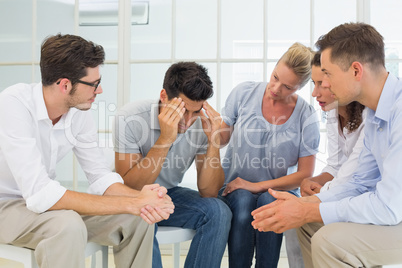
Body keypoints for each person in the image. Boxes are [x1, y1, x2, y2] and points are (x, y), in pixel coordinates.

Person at [0, 34, 174, 268]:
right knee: (67, 225)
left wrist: (143, 200)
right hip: (6, 206)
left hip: (44, 207)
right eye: (93, 84)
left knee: (138, 218)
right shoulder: (13, 105)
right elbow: (40, 194)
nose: (99, 90)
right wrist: (131, 202)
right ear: (65, 85)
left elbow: (100, 177)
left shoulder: (78, 113)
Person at [251, 22, 402, 268]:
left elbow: (388, 206)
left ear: (356, 71)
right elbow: (359, 182)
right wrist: (304, 205)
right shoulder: (374, 114)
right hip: (394, 211)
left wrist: (310, 209)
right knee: (308, 224)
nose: (324, 86)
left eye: (328, 75)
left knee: (329, 241)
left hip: (395, 213)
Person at [113, 61, 232, 268]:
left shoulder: (201, 125)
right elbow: (129, 187)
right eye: (182, 110)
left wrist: (213, 140)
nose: (187, 121)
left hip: (169, 194)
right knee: (143, 213)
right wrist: (165, 140)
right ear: (163, 97)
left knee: (219, 211)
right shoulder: (130, 118)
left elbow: (209, 192)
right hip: (133, 197)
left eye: (195, 112)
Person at [219, 42, 320, 268]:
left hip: (278, 190)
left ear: (300, 87)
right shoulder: (244, 93)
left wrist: (257, 185)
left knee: (269, 201)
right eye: (275, 77)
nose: (275, 88)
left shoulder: (306, 115)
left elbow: (305, 173)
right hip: (235, 187)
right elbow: (221, 137)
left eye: (287, 87)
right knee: (244, 202)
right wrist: (208, 130)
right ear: (274, 66)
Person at [300, 52, 366, 197]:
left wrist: (322, 191)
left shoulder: (368, 117)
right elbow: (335, 166)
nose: (314, 93)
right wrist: (311, 181)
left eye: (322, 84)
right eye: (314, 83)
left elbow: (354, 172)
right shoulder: (332, 113)